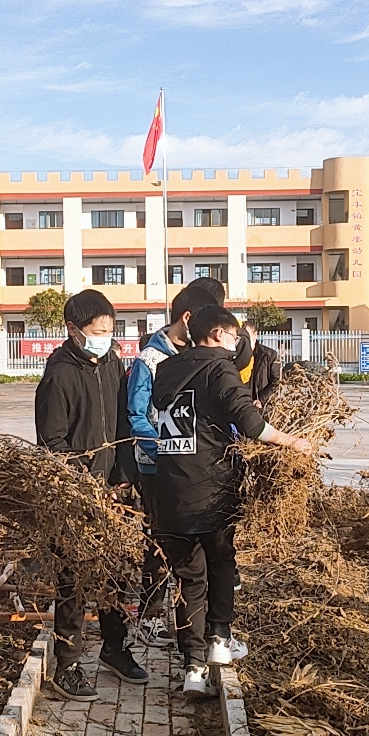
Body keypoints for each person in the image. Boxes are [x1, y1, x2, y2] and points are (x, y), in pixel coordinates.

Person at [150, 305, 313, 696]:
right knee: (221, 563)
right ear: (219, 334)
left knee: (189, 579)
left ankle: (192, 668)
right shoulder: (219, 368)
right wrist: (291, 441)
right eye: (235, 335)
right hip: (212, 488)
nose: (239, 343)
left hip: (169, 490)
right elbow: (250, 424)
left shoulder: (167, 369)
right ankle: (220, 640)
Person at [36, 290, 149, 701]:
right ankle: (67, 665)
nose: (105, 337)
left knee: (117, 572)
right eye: (97, 331)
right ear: (73, 329)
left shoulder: (113, 363)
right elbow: (53, 441)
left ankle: (114, 648)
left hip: (114, 491)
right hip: (76, 494)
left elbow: (122, 424)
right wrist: (85, 486)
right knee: (73, 579)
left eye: (109, 330)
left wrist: (123, 478)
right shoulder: (59, 374)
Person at [127, 286, 211, 647]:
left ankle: (188, 624)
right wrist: (162, 450)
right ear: (188, 318)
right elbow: (137, 414)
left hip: (192, 470)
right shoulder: (149, 360)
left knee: (191, 549)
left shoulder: (196, 355)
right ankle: (149, 617)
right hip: (156, 468)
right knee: (158, 545)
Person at [235, 322, 283, 409]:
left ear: (255, 335)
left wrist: (262, 400)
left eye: (247, 337)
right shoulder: (233, 357)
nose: (244, 341)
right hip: (239, 407)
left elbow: (277, 382)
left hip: (262, 407)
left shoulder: (269, 355)